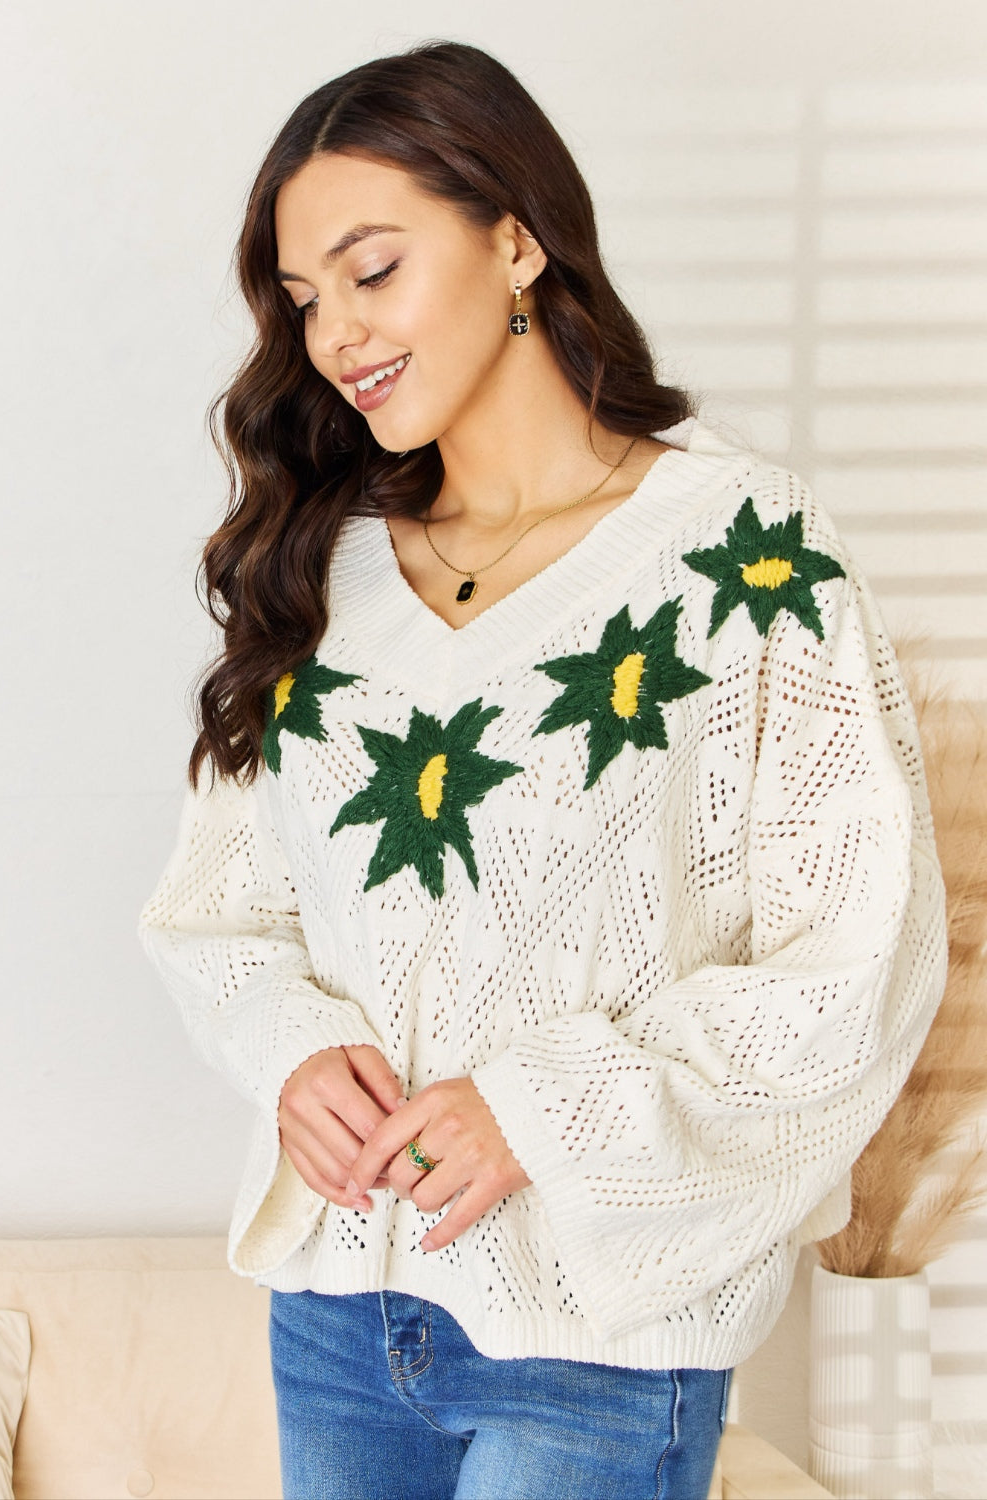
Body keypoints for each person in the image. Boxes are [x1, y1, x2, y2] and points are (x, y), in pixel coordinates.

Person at [140, 40, 947, 1500]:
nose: (333, 335)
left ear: (516, 237)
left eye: (372, 270)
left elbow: (860, 956)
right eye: (305, 298)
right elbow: (221, 915)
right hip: (335, 1314)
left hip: (603, 1338)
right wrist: (290, 1049)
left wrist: (544, 1106)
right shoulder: (322, 570)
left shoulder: (744, 557)